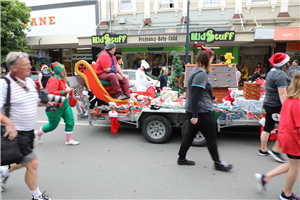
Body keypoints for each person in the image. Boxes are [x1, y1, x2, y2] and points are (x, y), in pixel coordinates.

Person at [0, 52, 53, 199]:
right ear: (13, 68)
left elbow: (31, 101)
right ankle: (37, 196)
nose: (30, 66)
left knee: (23, 160)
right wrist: (9, 123)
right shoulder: (4, 84)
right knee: (32, 163)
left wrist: (44, 103)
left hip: (28, 132)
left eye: (29, 63)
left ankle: (4, 172)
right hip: (14, 133)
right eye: (25, 65)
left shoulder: (29, 81)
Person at [177, 46, 232, 171]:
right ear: (207, 59)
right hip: (200, 111)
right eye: (212, 58)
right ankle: (217, 163)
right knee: (211, 137)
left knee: (189, 135)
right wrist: (195, 115)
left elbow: (199, 91)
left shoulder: (197, 71)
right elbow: (194, 94)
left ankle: (181, 158)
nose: (212, 61)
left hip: (195, 109)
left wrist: (210, 97)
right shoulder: (201, 73)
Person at [255, 70, 300, 200]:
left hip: (286, 136)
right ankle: (287, 194)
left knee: (294, 165)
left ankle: (265, 177)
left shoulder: (289, 100)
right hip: (294, 139)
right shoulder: (297, 103)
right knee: (295, 168)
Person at [36, 62, 79, 145]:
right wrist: (64, 91)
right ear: (61, 71)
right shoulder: (54, 79)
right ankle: (38, 133)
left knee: (70, 121)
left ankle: (68, 140)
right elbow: (51, 93)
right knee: (52, 126)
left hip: (65, 103)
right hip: (56, 105)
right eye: (64, 69)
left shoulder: (63, 80)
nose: (65, 70)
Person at [258, 53, 290, 163]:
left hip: (268, 104)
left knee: (268, 127)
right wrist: (287, 108)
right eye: (288, 62)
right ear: (284, 64)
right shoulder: (281, 75)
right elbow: (282, 93)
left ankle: (263, 150)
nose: (289, 64)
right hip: (276, 105)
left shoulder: (271, 72)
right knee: (285, 128)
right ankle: (275, 150)